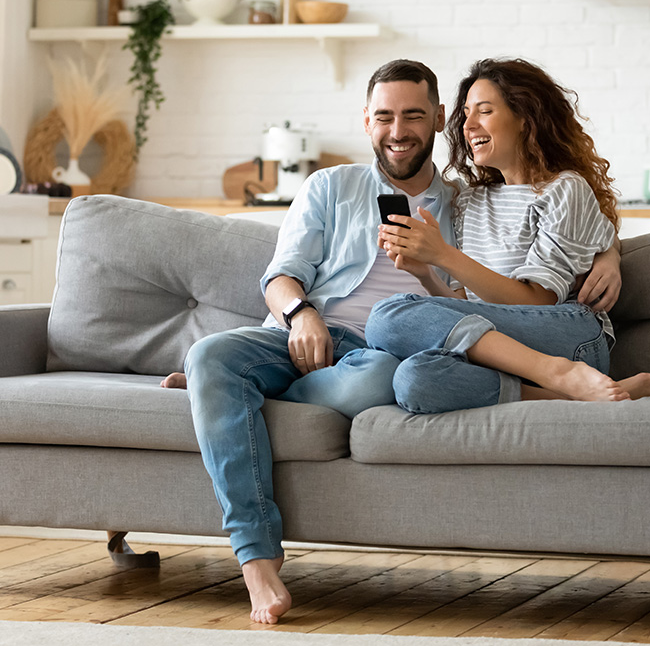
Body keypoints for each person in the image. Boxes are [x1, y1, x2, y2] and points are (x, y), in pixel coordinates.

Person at [160, 59, 621, 624]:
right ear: (366, 120)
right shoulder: (332, 186)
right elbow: (280, 275)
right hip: (308, 333)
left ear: (435, 120)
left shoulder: (463, 198)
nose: (397, 130)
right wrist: (300, 312)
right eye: (384, 116)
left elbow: (547, 237)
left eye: (412, 116)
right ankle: (255, 556)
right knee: (209, 353)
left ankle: (227, 396)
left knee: (384, 370)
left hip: (382, 351)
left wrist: (610, 253)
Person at [365, 58, 650, 414]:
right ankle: (571, 392)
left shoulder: (563, 190)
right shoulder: (469, 200)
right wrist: (425, 273)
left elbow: (538, 302)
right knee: (414, 379)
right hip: (500, 342)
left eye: (484, 111)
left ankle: (559, 372)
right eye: (466, 113)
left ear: (525, 118)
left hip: (567, 335)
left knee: (385, 316)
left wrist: (443, 255)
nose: (468, 125)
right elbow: (467, 308)